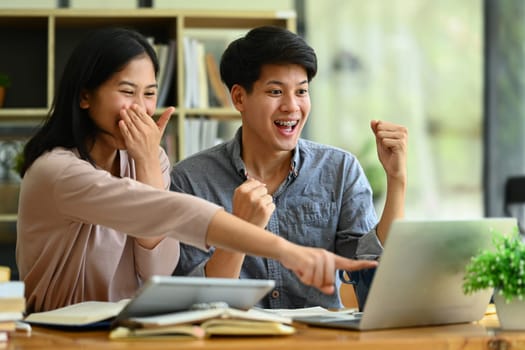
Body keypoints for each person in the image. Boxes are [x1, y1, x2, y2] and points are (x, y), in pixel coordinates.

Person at [15, 27, 377, 314]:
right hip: (60, 335)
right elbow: (173, 212)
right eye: (128, 91)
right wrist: (285, 249)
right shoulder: (58, 172)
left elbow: (157, 272)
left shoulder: (149, 162)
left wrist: (146, 164)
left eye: (150, 94)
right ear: (85, 96)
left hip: (128, 336)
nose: (140, 109)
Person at [171, 25, 408, 310]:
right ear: (239, 98)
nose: (292, 106)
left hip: (319, 340)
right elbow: (192, 303)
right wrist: (240, 231)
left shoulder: (339, 169)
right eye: (275, 91)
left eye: (301, 91)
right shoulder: (190, 181)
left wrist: (396, 180)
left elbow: (373, 274)